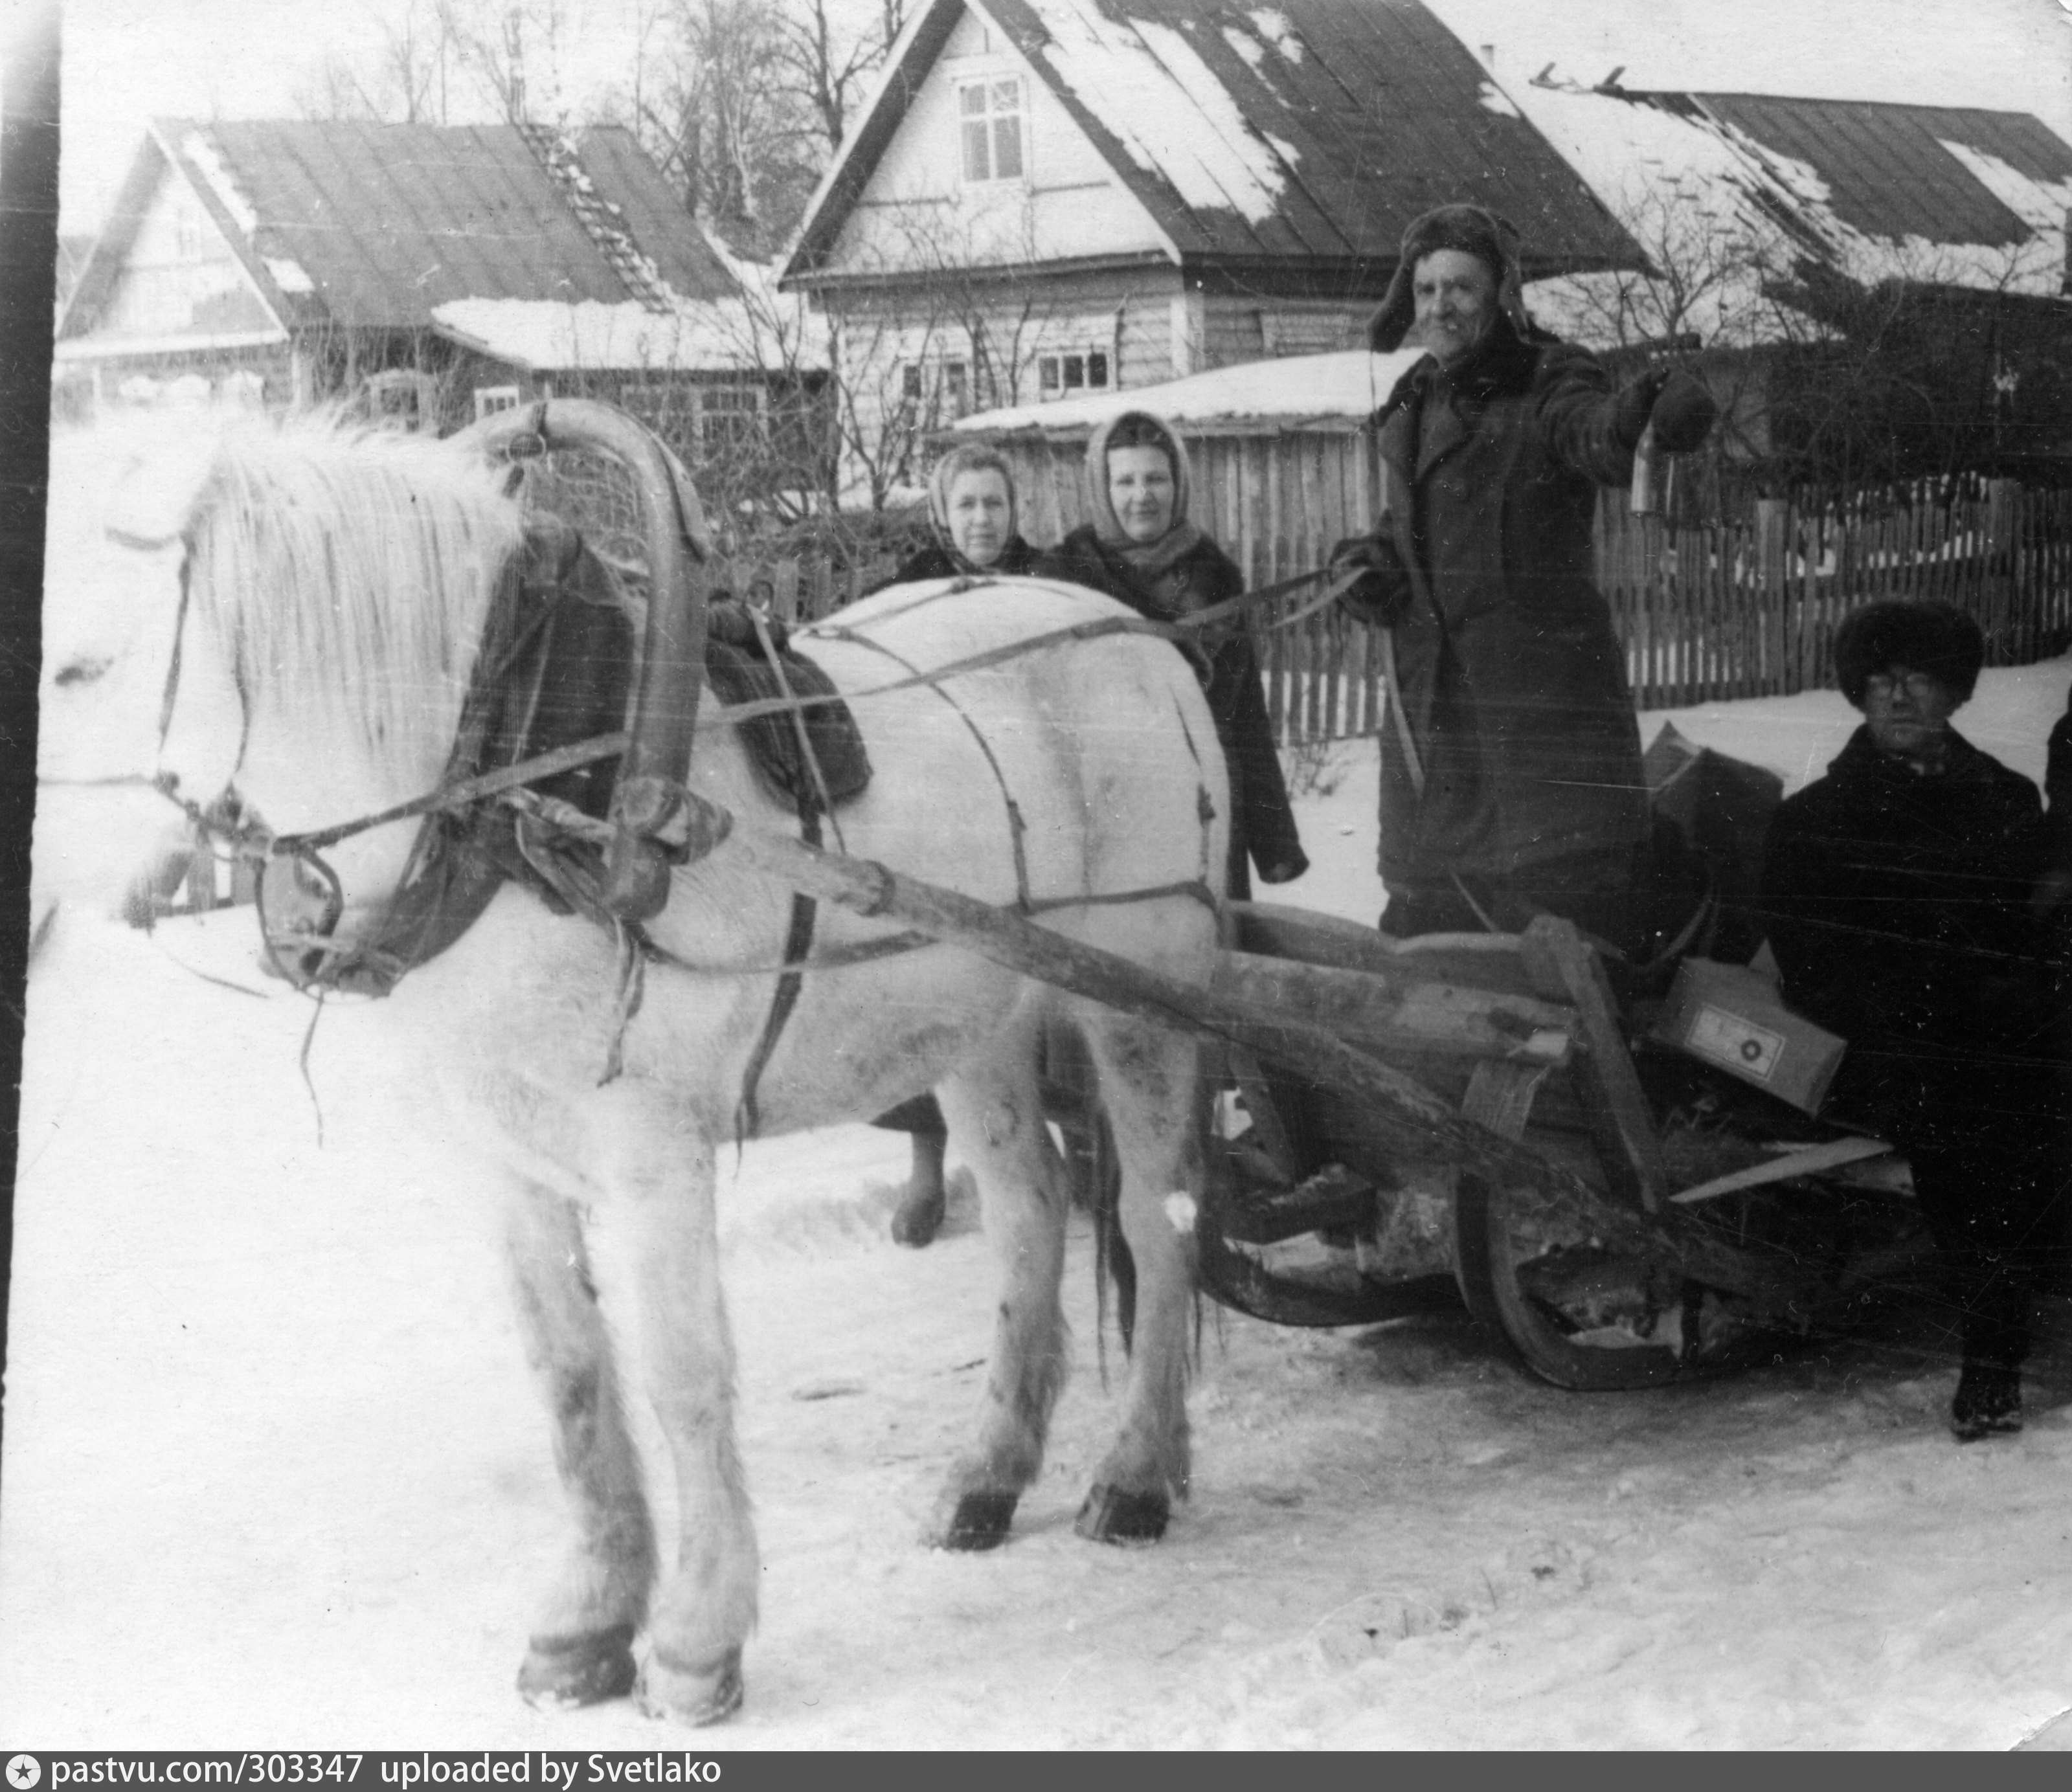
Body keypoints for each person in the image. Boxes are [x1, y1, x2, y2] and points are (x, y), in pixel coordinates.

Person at [1329, 203, 1716, 953]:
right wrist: (1371, 564)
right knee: (1430, 953)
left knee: (1567, 956)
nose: (1440, 305)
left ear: (1501, 292)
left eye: (1460, 288)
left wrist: (1642, 415)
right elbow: (1411, 528)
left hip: (1540, 733)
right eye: (1427, 289)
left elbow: (1592, 431)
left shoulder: (1546, 377)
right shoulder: (1414, 396)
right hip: (1433, 731)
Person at [1757, 601, 2062, 1442]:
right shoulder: (1813, 823)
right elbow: (1821, 973)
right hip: (1893, 1045)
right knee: (1976, 1121)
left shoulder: (2004, 799)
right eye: (1879, 681)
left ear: (1955, 693)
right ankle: (1994, 1348)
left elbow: (2029, 929)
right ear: (1857, 693)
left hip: (2008, 1028)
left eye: (1918, 680)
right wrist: (1940, 1010)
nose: (1897, 698)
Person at [868, 443, 1039, 1248]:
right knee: (930, 985)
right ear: (943, 514)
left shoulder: (1043, 585)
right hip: (941, 812)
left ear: (1015, 510)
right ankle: (928, 1166)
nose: (981, 519)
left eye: (994, 503)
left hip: (1035, 808)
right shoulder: (905, 592)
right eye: (966, 504)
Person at [1038, 409, 1309, 901]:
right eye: (1125, 481)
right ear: (1102, 487)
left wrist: (1276, 846)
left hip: (1205, 804)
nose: (1142, 496)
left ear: (1178, 483)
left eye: (1156, 478)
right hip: (1107, 813)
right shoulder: (1066, 576)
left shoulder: (1215, 576)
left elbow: (1245, 715)